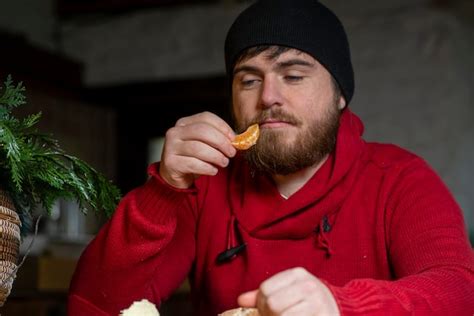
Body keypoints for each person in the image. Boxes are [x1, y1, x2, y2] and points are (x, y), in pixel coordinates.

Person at [68, 0, 474, 315]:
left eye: (294, 75)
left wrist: (343, 306)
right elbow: (95, 308)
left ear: (340, 95)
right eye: (249, 79)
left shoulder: (399, 178)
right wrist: (163, 192)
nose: (268, 97)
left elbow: (459, 291)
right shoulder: (204, 185)